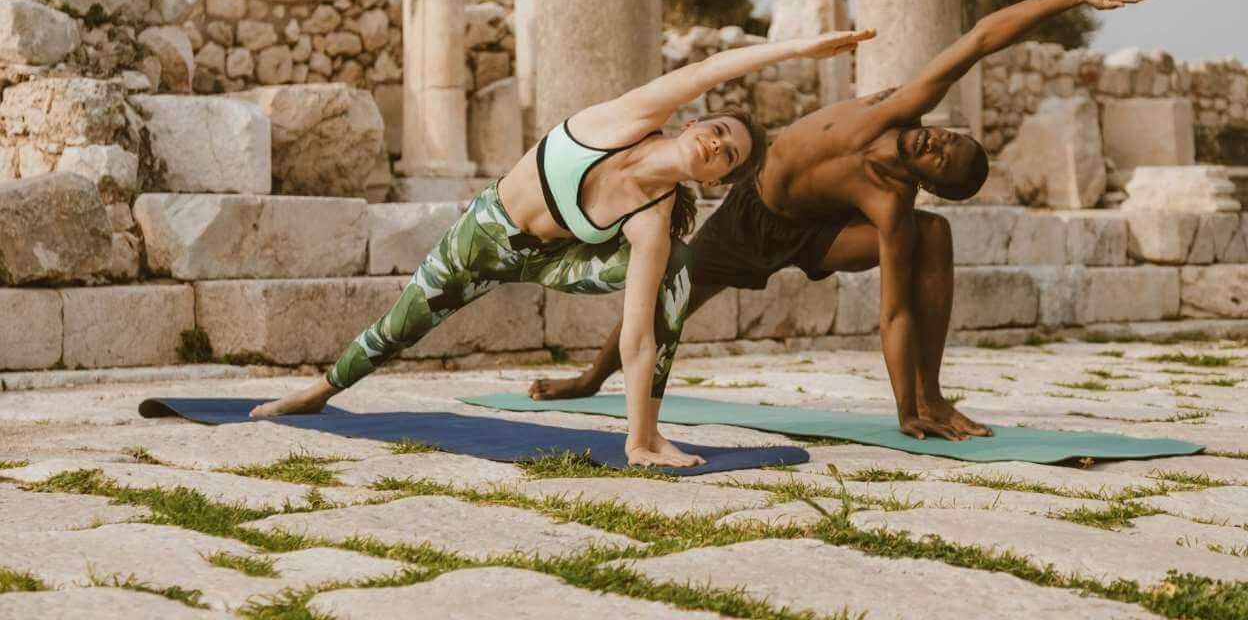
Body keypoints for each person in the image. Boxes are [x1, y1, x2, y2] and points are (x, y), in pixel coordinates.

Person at [530, 0, 1155, 442]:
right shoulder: (899, 108)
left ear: (932, 180)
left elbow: (893, 314)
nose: (936, 140)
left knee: (930, 238)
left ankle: (929, 398)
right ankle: (591, 378)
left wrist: (903, 408)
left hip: (817, 233)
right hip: (752, 217)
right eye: (948, 137)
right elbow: (982, 39)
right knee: (672, 293)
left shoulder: (891, 202)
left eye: (942, 157)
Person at [251, 27, 876, 467]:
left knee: (675, 271)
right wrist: (802, 47)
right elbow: (710, 70)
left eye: (729, 156)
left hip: (557, 260)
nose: (717, 146)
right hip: (487, 236)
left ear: (715, 180)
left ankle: (645, 436)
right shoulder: (623, 120)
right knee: (402, 325)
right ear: (694, 125)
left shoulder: (652, 219)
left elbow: (638, 334)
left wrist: (639, 438)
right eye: (717, 133)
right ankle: (319, 391)